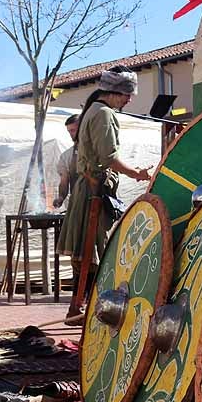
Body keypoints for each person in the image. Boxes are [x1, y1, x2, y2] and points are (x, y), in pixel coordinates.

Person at [58, 67, 152, 325]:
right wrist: (136, 174)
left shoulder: (94, 111)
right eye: (126, 95)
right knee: (94, 253)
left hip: (92, 190)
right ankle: (84, 310)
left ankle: (79, 309)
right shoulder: (103, 114)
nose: (128, 100)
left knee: (89, 255)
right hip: (94, 192)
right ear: (114, 92)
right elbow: (108, 157)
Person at [52, 114, 80, 210]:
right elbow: (64, 181)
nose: (71, 134)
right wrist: (61, 197)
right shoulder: (66, 156)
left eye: (73, 130)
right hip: (78, 202)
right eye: (69, 131)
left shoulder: (97, 150)